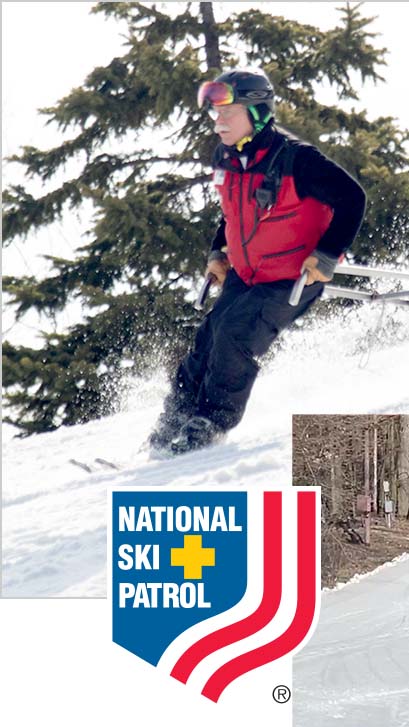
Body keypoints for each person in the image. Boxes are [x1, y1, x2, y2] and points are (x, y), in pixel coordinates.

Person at [148, 68, 366, 454]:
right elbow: (232, 212)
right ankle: (174, 421)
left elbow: (352, 198)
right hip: (247, 274)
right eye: (216, 115)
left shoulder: (297, 160)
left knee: (234, 334)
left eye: (227, 114)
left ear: (258, 112)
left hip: (293, 276)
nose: (218, 123)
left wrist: (328, 255)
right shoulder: (228, 158)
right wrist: (218, 252)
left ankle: (209, 425)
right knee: (208, 338)